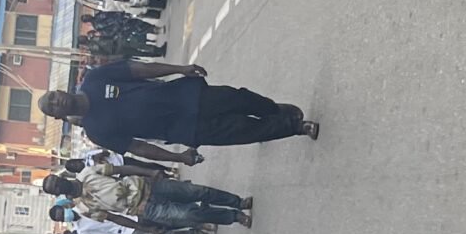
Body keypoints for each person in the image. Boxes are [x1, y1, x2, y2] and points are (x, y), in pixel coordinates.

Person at [41, 61, 317, 154]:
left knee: (241, 99)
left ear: (60, 89)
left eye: (53, 95)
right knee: (244, 131)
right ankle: (296, 127)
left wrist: (180, 69)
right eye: (53, 107)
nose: (57, 101)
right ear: (58, 117)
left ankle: (272, 109)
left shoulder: (95, 78)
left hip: (185, 96)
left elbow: (139, 70)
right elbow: (138, 148)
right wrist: (176, 159)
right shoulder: (96, 132)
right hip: (185, 128)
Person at [44, 169, 250, 234]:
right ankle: (233, 217)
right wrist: (145, 228)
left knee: (197, 192)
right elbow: (115, 218)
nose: (59, 184)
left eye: (56, 180)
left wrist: (150, 171)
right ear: (58, 194)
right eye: (55, 188)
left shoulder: (87, 172)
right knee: (191, 216)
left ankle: (237, 202)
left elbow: (121, 169)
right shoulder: (83, 209)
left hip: (149, 186)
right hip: (145, 209)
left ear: (60, 176)